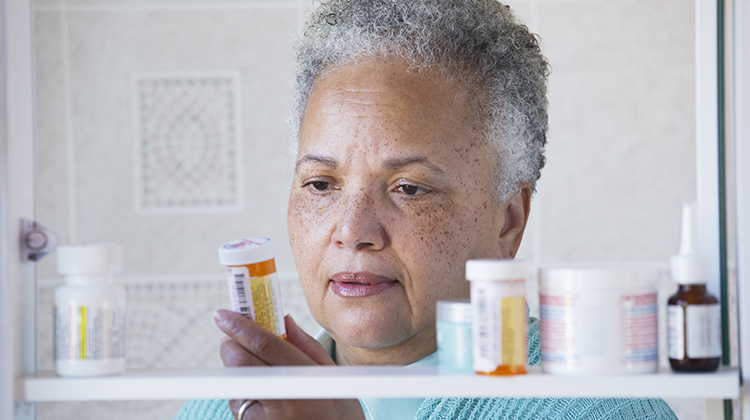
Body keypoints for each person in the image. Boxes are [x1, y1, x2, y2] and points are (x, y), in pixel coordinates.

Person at [174, 1, 678, 419]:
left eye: (409, 188)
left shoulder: (597, 407)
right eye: (320, 183)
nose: (353, 231)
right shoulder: (220, 412)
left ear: (509, 221)